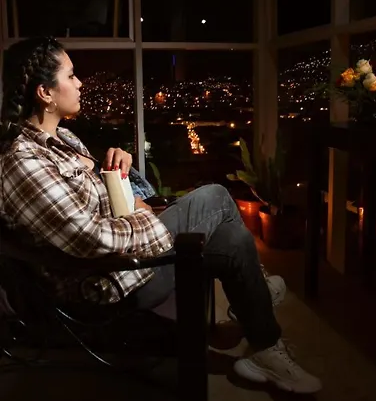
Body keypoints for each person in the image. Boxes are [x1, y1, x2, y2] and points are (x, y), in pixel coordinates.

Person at [0, 37, 322, 394]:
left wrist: (119, 172)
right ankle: (258, 298)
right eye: (71, 75)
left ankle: (265, 345)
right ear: (45, 92)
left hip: (120, 261)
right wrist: (145, 216)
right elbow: (92, 238)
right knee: (215, 197)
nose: (80, 84)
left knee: (231, 238)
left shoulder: (64, 140)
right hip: (106, 284)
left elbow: (98, 202)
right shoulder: (24, 163)